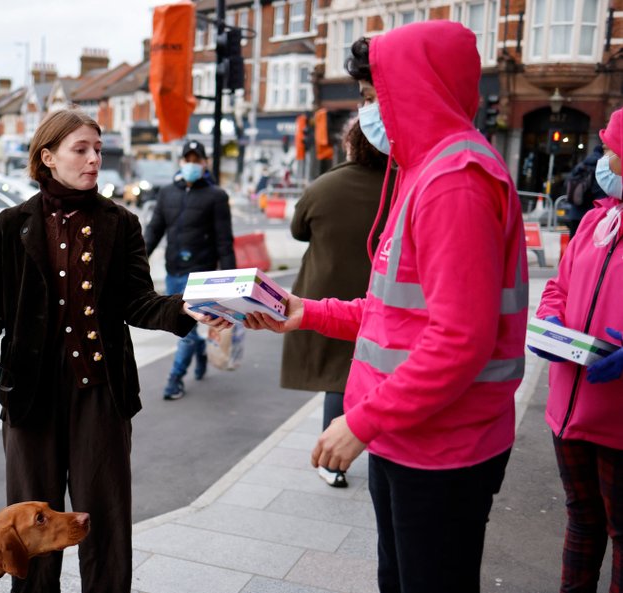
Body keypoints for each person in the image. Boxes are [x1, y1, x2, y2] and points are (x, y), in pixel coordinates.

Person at [235, 22, 528, 592]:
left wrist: (362, 421)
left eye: (374, 96)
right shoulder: (425, 171)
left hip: (441, 448)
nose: (368, 113)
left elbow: (459, 340)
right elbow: (394, 312)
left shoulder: (453, 182)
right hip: (412, 436)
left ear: (416, 88)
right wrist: (306, 311)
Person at [0, 109, 198, 593]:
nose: (94, 160)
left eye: (98, 150)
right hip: (30, 396)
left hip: (101, 396)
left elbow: (138, 300)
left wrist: (187, 309)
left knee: (105, 521)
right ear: (47, 157)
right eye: (81, 150)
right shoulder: (11, 225)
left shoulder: (121, 223)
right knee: (29, 527)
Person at [531, 107, 623, 593]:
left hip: (617, 418)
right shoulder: (593, 222)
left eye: (612, 152)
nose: (603, 161)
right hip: (568, 407)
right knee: (582, 520)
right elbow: (559, 289)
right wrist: (550, 320)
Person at [281, 118, 392, 489]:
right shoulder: (398, 188)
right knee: (375, 368)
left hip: (327, 288)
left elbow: (298, 230)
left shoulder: (323, 186)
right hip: (379, 290)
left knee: (337, 377)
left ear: (350, 145)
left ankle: (333, 463)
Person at [143, 140, 236, 400]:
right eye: (188, 159)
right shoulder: (166, 193)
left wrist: (234, 288)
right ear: (181, 162)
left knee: (186, 330)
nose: (192, 164)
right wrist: (137, 261)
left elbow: (224, 242)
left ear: (204, 163)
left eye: (197, 159)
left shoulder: (216, 196)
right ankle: (201, 354)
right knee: (185, 327)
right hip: (174, 270)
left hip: (201, 276)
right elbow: (154, 231)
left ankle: (174, 380)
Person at [562, 144, 606, 238]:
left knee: (573, 241)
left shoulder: (581, 165)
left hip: (574, 211)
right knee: (585, 242)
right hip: (589, 214)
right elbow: (600, 193)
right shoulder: (601, 167)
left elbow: (567, 183)